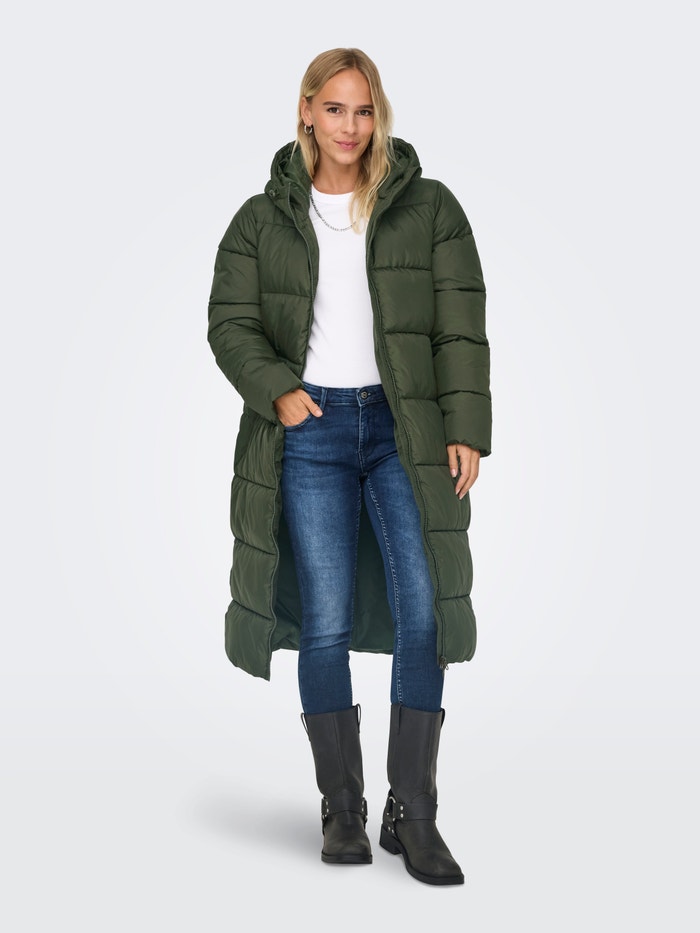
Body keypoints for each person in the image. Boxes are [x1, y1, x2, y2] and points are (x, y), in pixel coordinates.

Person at [207, 48, 491, 886]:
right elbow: (230, 321)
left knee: (424, 611)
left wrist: (467, 429)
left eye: (363, 110)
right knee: (324, 621)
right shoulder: (261, 219)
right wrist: (279, 391)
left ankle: (415, 812)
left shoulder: (429, 209)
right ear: (306, 111)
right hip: (313, 430)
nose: (350, 126)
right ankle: (342, 805)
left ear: (378, 116)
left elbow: (460, 327)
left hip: (404, 430)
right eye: (334, 109)